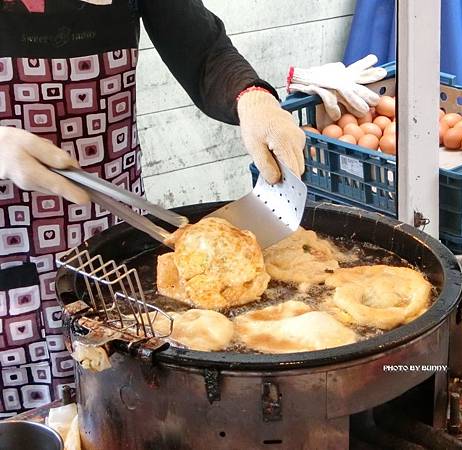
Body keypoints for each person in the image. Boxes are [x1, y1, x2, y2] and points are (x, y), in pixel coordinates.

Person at [0, 0, 306, 417]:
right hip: (8, 244)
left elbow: (203, 52)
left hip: (112, 232)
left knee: (114, 400)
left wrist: (253, 99)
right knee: (33, 420)